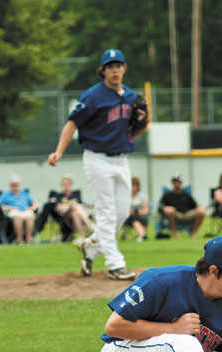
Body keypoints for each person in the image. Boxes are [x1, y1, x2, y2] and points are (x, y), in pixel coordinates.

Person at [47, 48, 149, 281]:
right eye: (109, 66)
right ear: (103, 70)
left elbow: (137, 129)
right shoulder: (92, 96)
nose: (114, 70)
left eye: (118, 65)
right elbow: (72, 123)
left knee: (122, 213)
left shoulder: (131, 97)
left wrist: (145, 122)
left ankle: (91, 247)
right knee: (106, 212)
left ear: (124, 68)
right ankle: (115, 265)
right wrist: (58, 151)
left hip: (121, 159)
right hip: (97, 158)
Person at [36, 174, 92, 244]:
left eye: (67, 183)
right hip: (65, 216)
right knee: (74, 205)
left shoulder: (76, 194)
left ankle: (81, 237)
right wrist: (71, 204)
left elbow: (82, 204)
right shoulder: (58, 195)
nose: (65, 185)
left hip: (77, 215)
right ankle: (90, 225)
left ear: (71, 184)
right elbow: (59, 207)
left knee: (75, 212)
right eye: (63, 184)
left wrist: (74, 205)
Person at [0, 175, 39, 245]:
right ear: (10, 185)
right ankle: (19, 239)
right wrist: (8, 208)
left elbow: (35, 203)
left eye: (16, 185)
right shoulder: (5, 194)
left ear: (19, 185)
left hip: (25, 210)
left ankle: (28, 239)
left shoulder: (24, 193)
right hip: (13, 211)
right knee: (18, 216)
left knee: (30, 215)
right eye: (13, 185)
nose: (15, 187)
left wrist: (31, 208)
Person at [160, 174, 206, 238]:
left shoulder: (186, 194)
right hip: (175, 215)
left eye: (178, 182)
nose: (176, 183)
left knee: (201, 210)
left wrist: (201, 207)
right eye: (175, 182)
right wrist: (168, 208)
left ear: (181, 183)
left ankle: (193, 233)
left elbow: (195, 205)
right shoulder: (167, 195)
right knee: (169, 210)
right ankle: (175, 233)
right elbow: (161, 207)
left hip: (187, 214)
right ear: (172, 183)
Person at [125, 176, 149, 242]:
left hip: (140, 215)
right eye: (133, 184)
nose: (134, 187)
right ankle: (142, 235)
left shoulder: (142, 196)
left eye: (136, 184)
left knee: (137, 218)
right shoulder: (125, 195)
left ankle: (141, 235)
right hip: (127, 217)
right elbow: (122, 209)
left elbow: (146, 210)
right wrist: (130, 211)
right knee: (133, 218)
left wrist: (138, 212)